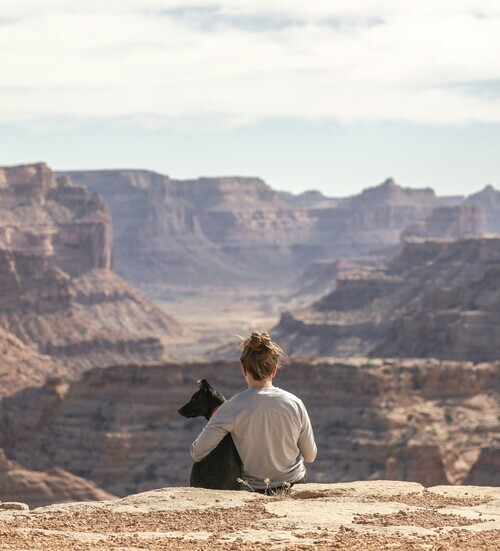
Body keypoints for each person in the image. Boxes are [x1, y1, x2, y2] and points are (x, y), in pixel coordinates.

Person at [190, 330, 317, 492]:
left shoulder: (231, 408)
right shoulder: (295, 403)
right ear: (274, 371)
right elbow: (310, 456)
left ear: (244, 370)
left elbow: (197, 453)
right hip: (294, 483)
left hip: (254, 489)